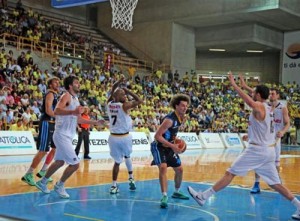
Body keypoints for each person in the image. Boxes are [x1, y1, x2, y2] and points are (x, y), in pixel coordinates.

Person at [187, 73, 300, 220]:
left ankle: (204, 196)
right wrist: (251, 136)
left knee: (230, 173)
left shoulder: (259, 105)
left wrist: (234, 84)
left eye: (254, 93)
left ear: (258, 95)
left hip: (257, 151)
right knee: (276, 184)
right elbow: (264, 129)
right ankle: (298, 205)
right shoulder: (269, 108)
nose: (251, 95)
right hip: (268, 149)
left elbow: (250, 101)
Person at [35, 75, 104, 198]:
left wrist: (95, 122)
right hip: (61, 134)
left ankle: (42, 181)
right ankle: (59, 185)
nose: (79, 84)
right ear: (70, 86)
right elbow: (56, 111)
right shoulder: (66, 96)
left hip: (66, 135)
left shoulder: (75, 99)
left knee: (60, 162)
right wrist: (73, 112)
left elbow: (78, 118)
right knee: (75, 164)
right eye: (76, 83)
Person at [150, 94, 190, 208]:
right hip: (159, 146)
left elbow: (171, 134)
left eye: (186, 106)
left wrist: (175, 142)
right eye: (182, 105)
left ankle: (176, 192)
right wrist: (172, 146)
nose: (185, 108)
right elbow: (157, 136)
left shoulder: (181, 117)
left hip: (169, 147)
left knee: (180, 170)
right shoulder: (169, 120)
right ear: (176, 106)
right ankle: (164, 195)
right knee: (163, 167)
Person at [249, 88, 290, 194]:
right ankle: (257, 184)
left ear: (278, 96)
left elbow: (287, 123)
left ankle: (276, 182)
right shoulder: (264, 106)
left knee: (276, 163)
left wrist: (283, 131)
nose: (271, 95)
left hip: (275, 139)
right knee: (258, 161)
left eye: (273, 94)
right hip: (264, 138)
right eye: (270, 93)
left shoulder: (282, 108)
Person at [107, 75, 143, 194]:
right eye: (123, 94)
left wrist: (118, 83)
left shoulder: (109, 103)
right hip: (125, 137)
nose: (125, 96)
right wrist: (128, 90)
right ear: (118, 96)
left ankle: (113, 185)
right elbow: (140, 101)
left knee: (117, 162)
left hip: (113, 137)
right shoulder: (124, 105)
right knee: (127, 156)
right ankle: (131, 178)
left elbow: (113, 89)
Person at [21, 77, 60, 186]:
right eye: (55, 82)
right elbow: (48, 110)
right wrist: (60, 116)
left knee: (55, 148)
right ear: (50, 85)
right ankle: (28, 174)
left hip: (53, 124)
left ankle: (43, 171)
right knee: (43, 150)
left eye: (58, 82)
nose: (57, 83)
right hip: (47, 123)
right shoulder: (50, 94)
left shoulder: (56, 95)